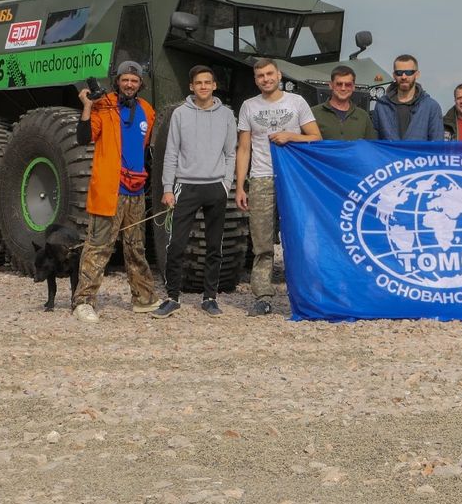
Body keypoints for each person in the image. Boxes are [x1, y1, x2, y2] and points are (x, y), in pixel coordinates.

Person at [71, 60, 160, 321]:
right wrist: (88, 106)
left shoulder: (147, 110)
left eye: (134, 80)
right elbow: (84, 137)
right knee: (99, 246)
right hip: (109, 188)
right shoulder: (103, 105)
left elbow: (143, 147)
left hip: (136, 190)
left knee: (136, 247)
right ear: (117, 81)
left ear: (140, 83)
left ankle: (144, 298)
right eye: (125, 79)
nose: (129, 84)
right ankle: (83, 301)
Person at [235, 57, 321, 316]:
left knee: (300, 236)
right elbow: (244, 148)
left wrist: (291, 136)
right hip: (261, 178)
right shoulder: (249, 106)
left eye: (270, 74)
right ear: (255, 79)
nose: (266, 79)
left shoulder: (296, 103)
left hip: (293, 178)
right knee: (261, 241)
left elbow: (316, 137)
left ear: (279, 75)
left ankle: (306, 292)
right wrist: (241, 186)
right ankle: (262, 295)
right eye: (260, 76)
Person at [153, 65, 237, 319]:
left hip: (215, 187)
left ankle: (210, 298)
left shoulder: (226, 115)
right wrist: (168, 188)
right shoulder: (180, 114)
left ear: (214, 86)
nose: (203, 86)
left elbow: (231, 153)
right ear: (191, 87)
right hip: (185, 186)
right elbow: (171, 153)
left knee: (214, 246)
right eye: (198, 82)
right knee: (176, 244)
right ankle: (172, 297)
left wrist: (226, 184)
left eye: (207, 82)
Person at [372, 54, 444, 140]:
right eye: (399, 73)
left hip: (418, 154)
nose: (404, 77)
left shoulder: (431, 107)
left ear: (417, 74)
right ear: (394, 75)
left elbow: (437, 144)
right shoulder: (381, 106)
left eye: (409, 72)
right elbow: (374, 144)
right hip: (390, 154)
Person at [311, 65, 377, 140]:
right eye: (339, 84)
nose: (343, 88)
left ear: (353, 87)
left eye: (348, 85)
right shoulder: (313, 114)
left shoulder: (363, 116)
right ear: (331, 85)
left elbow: (371, 147)